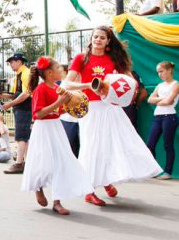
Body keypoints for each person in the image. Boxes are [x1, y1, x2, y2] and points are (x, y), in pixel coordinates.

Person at [66, 26, 162, 205]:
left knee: (116, 144)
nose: (98, 40)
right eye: (95, 37)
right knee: (92, 147)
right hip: (90, 108)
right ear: (91, 38)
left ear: (108, 41)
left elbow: (130, 81)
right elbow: (67, 84)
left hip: (111, 107)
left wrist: (116, 87)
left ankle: (106, 181)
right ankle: (89, 190)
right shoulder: (81, 58)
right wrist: (91, 85)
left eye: (102, 37)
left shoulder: (114, 58)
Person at [21, 56, 93, 215]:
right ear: (49, 72)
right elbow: (38, 114)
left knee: (60, 162)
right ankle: (38, 187)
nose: (62, 71)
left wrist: (70, 105)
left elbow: (57, 111)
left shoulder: (56, 87)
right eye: (59, 68)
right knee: (44, 162)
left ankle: (57, 201)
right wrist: (59, 103)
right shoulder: (41, 89)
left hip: (56, 127)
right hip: (43, 129)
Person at [146, 61, 179, 179]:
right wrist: (163, 98)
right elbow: (149, 99)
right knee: (150, 144)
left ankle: (168, 172)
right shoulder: (159, 86)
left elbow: (168, 102)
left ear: (169, 70)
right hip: (157, 117)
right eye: (158, 72)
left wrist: (159, 100)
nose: (159, 74)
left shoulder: (176, 84)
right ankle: (154, 171)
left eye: (161, 71)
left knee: (168, 145)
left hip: (169, 117)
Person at [1, 53, 32, 174]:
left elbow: (26, 93)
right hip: (21, 108)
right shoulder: (18, 75)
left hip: (25, 107)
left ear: (19, 61)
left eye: (12, 62)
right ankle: (26, 162)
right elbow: (15, 94)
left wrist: (10, 104)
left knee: (21, 136)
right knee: (24, 137)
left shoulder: (26, 73)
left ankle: (19, 163)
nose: (10, 64)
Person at [59, 65, 80, 158]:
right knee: (68, 146)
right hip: (67, 120)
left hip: (83, 120)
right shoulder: (64, 84)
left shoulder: (86, 83)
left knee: (81, 147)